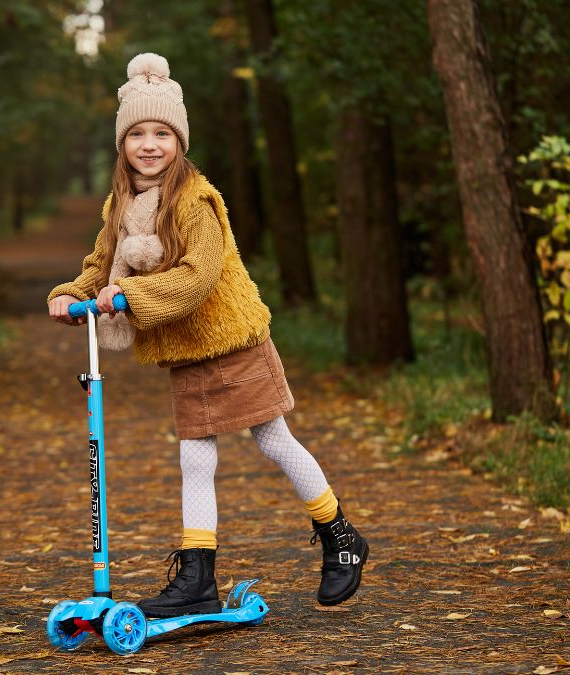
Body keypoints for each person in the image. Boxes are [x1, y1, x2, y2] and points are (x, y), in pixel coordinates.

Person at [46, 53, 367, 618]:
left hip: (233, 340)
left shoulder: (195, 200)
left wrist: (131, 297)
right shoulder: (119, 204)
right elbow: (102, 263)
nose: (149, 144)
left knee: (273, 440)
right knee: (195, 459)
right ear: (122, 144)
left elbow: (198, 276)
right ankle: (199, 575)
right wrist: (71, 293)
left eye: (162, 133)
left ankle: (340, 535)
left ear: (180, 141)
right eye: (138, 133)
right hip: (186, 353)